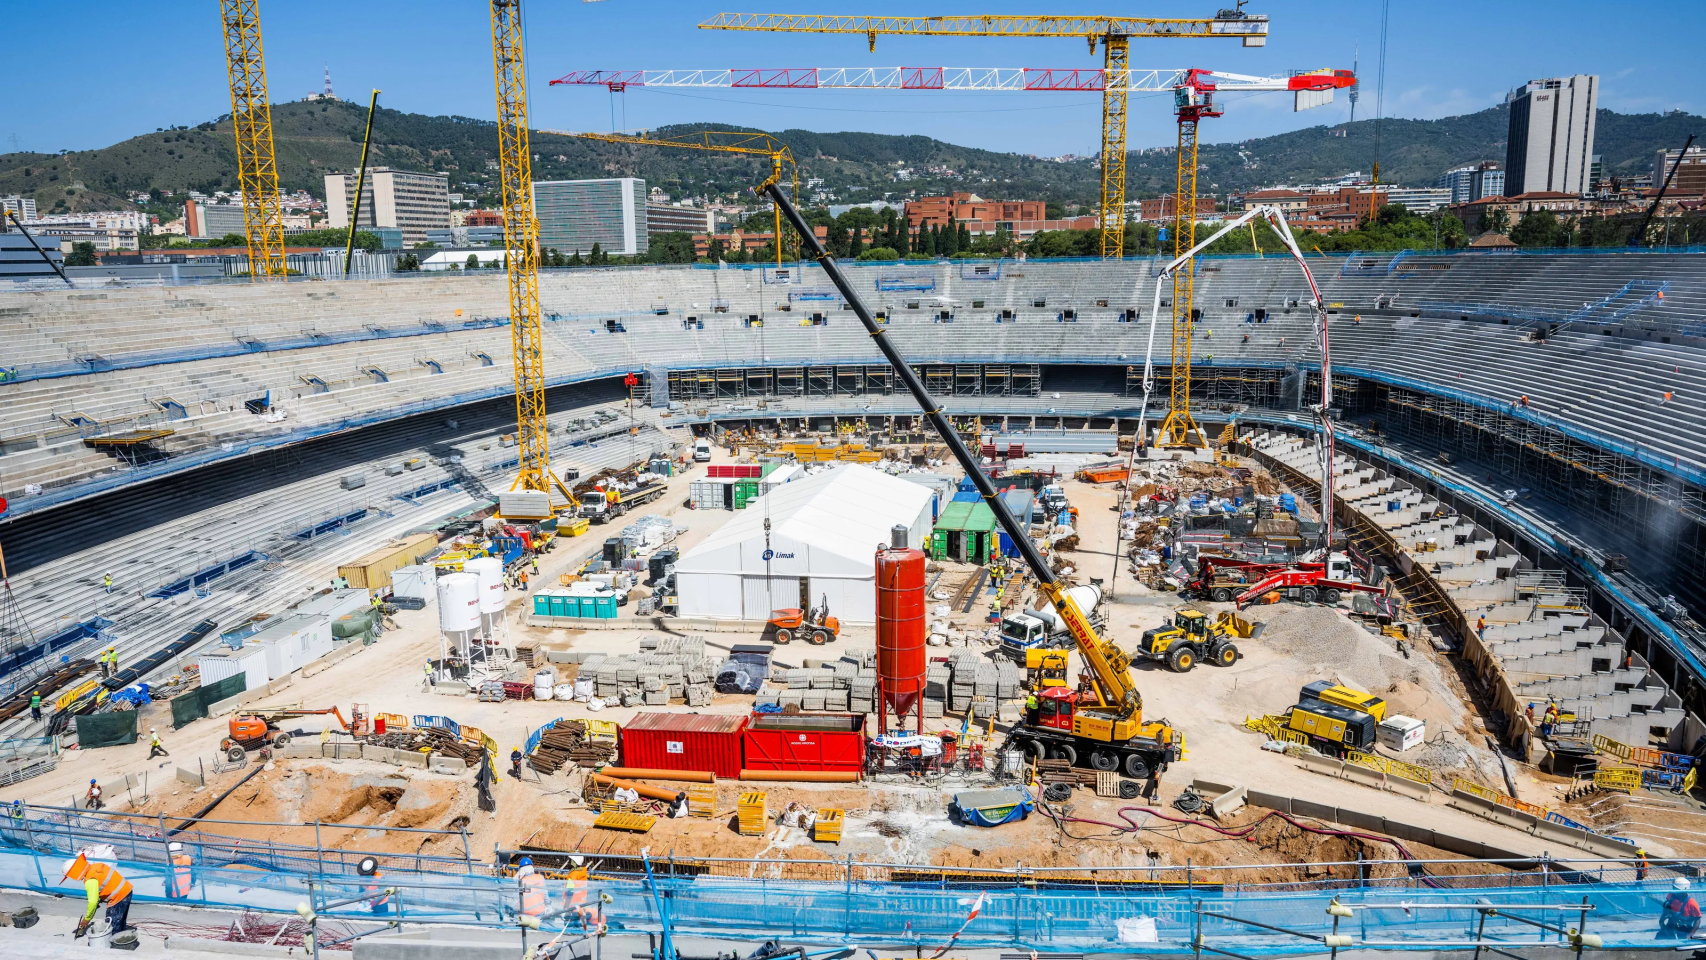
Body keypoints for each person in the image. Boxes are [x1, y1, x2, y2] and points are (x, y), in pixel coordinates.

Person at [64, 852, 133, 939]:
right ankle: (122, 939)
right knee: (121, 920)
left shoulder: (90, 880)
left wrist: (87, 919)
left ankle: (115, 945)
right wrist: (99, 899)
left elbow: (92, 902)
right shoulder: (97, 866)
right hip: (127, 889)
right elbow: (106, 881)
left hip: (118, 897)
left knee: (112, 924)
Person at [517, 856, 547, 920]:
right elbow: (545, 895)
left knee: (522, 929)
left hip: (523, 914)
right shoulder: (540, 877)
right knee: (538, 929)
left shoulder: (520, 881)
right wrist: (549, 905)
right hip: (539, 912)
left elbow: (516, 900)